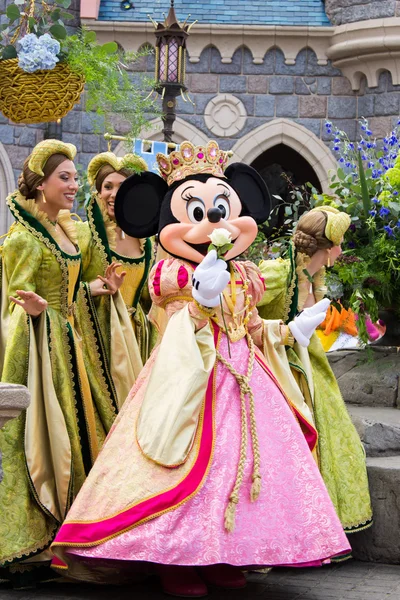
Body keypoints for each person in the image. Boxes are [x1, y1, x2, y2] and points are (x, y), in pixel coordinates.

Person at [52, 141, 350, 597]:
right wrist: (200, 302)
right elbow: (171, 321)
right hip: (190, 379)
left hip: (247, 377)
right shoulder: (170, 273)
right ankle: (177, 560)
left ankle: (224, 553)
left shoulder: (245, 274)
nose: (214, 221)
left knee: (247, 466)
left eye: (222, 208)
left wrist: (291, 330)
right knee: (183, 462)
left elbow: (249, 327)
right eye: (196, 211)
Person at [0, 140, 120, 586]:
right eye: (64, 178)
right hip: (38, 355)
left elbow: (64, 291)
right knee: (43, 445)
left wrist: (93, 289)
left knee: (83, 436)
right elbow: (12, 306)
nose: (73, 185)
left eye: (74, 177)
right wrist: (34, 312)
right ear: (41, 183)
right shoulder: (22, 240)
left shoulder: (62, 230)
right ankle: (26, 549)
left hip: (69, 346)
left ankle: (72, 533)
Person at [257, 206, 373, 535]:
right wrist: (283, 330)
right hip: (280, 370)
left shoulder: (312, 276)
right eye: (339, 243)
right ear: (327, 245)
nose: (341, 250)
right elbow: (236, 311)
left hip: (310, 367)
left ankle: (319, 529)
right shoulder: (280, 272)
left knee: (336, 437)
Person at [75, 152, 150, 414]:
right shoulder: (84, 235)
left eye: (122, 187)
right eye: (108, 186)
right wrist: (89, 290)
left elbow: (149, 299)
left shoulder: (146, 241)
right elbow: (65, 289)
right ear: (97, 191)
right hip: (96, 337)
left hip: (135, 342)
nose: (114, 194)